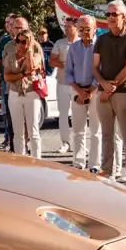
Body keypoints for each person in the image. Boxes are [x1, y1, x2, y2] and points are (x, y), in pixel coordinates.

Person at [94, 0, 126, 184]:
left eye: (115, 14)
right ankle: (107, 171)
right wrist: (103, 85)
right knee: (106, 135)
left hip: (124, 91)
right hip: (103, 91)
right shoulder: (101, 39)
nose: (111, 17)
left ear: (124, 17)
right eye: (108, 14)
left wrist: (110, 88)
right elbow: (94, 67)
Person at [64, 15, 101, 173]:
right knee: (78, 129)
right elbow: (68, 72)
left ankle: (95, 164)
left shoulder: (100, 46)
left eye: (87, 29)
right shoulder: (73, 47)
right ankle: (78, 162)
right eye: (81, 29)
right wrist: (79, 91)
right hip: (77, 90)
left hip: (95, 91)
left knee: (96, 130)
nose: (84, 32)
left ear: (95, 28)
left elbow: (102, 70)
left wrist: (90, 91)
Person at [3, 26, 45, 158]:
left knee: (33, 130)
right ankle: (20, 161)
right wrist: (22, 74)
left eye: (24, 41)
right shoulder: (10, 57)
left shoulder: (36, 55)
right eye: (19, 41)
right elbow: (7, 77)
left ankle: (37, 160)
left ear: (30, 42)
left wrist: (30, 51)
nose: (21, 44)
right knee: (18, 132)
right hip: (15, 94)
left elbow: (32, 67)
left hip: (31, 93)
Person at [48, 20, 78, 153]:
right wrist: (65, 65)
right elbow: (52, 61)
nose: (66, 29)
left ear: (76, 28)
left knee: (78, 114)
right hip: (63, 83)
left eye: (69, 27)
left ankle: (78, 143)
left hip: (79, 85)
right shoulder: (60, 43)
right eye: (65, 27)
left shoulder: (82, 42)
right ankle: (65, 142)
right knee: (63, 114)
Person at [0, 14, 18, 150]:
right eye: (7, 23)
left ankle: (20, 142)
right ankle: (8, 139)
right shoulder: (5, 41)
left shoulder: (26, 40)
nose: (9, 26)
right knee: (6, 112)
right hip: (6, 81)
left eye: (11, 23)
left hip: (20, 82)